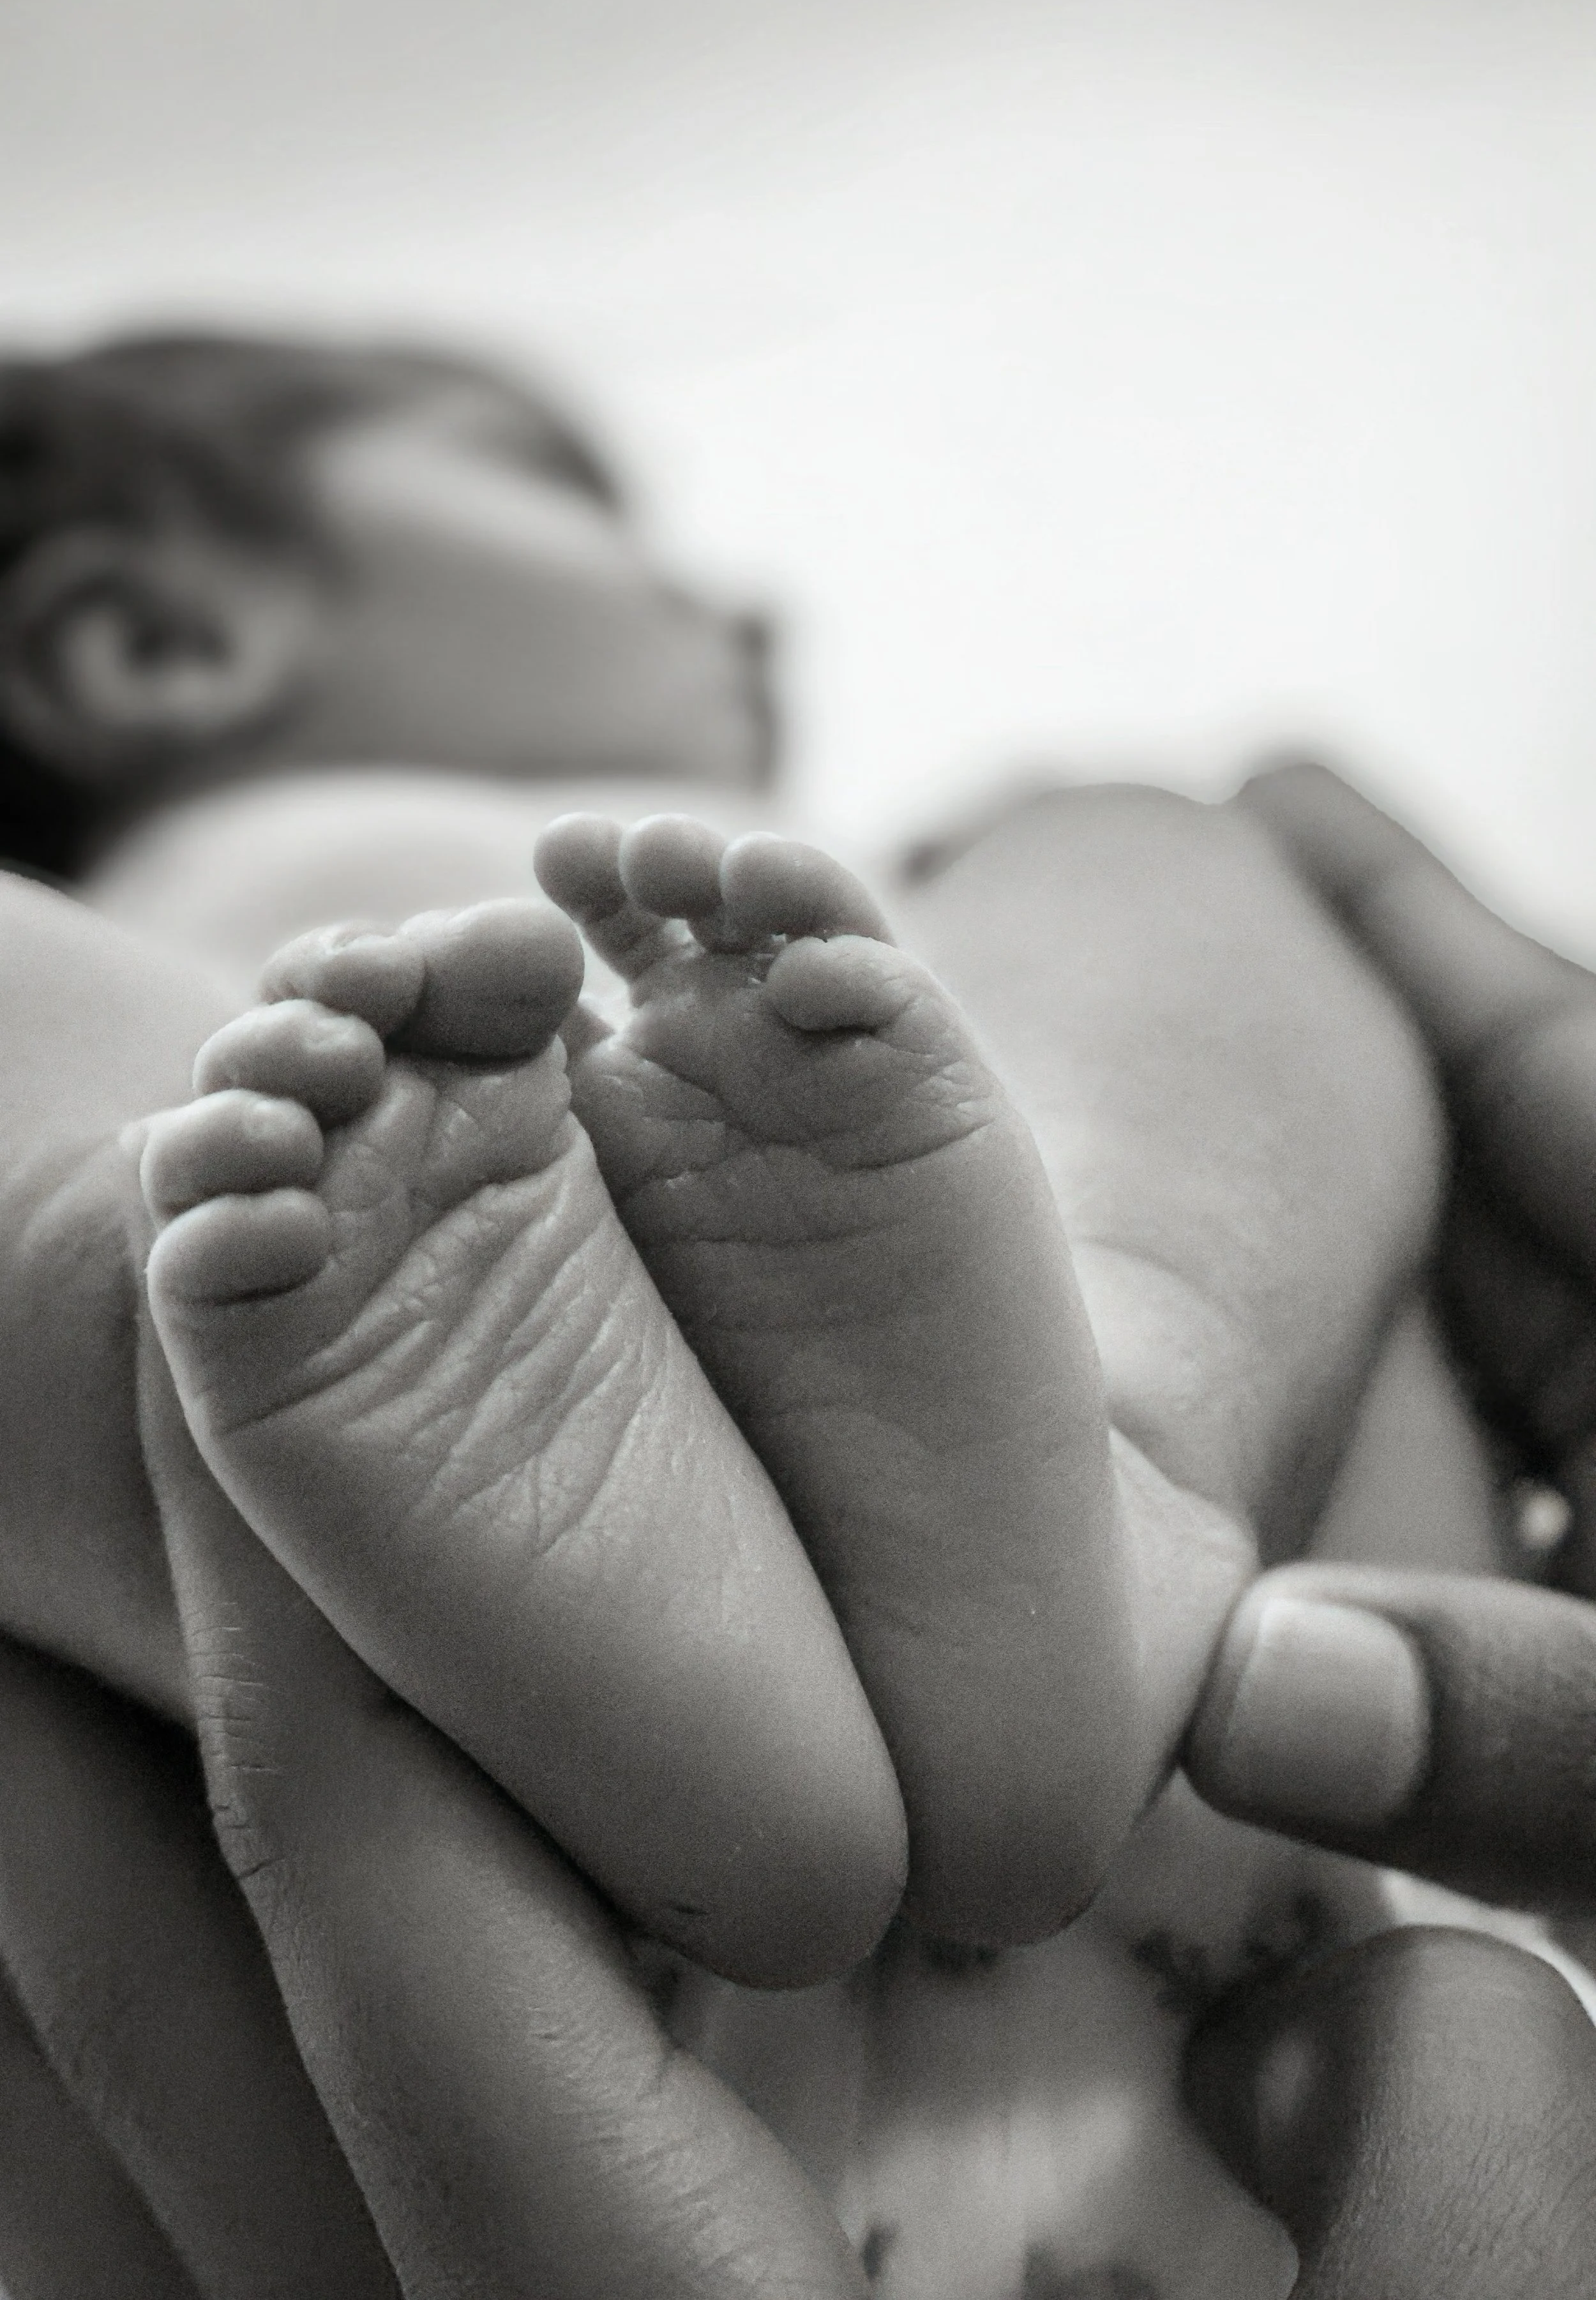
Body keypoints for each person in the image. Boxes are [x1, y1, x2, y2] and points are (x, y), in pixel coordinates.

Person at [0, 329, 1578, 2293]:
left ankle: (367, 1540)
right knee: (1150, 860)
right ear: (156, 640)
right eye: (587, 506)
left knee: (1117, 846)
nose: (745, 609)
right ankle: (1122, 1421)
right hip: (1250, 2032)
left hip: (421, 2089)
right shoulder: (832, 963)